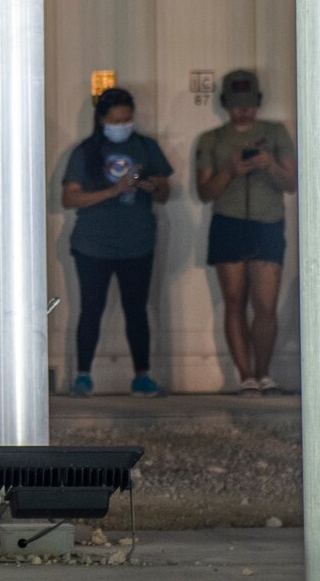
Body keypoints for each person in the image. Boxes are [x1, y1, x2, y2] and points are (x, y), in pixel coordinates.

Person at [61, 88, 173, 398]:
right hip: (92, 245)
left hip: (138, 243)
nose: (122, 125)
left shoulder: (146, 146)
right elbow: (69, 197)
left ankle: (142, 375)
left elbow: (165, 194)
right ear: (102, 120)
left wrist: (152, 186)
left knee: (137, 310)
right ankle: (83, 376)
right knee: (90, 309)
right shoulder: (85, 150)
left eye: (127, 119)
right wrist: (114, 190)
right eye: (115, 120)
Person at [194, 69, 297, 395]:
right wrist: (232, 170)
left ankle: (265, 373)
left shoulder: (276, 132)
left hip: (267, 222)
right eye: (237, 104)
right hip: (229, 222)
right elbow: (206, 192)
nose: (244, 111)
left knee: (266, 304)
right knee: (234, 301)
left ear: (258, 102)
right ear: (225, 103)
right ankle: (246, 376)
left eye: (250, 104)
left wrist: (270, 165)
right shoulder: (212, 139)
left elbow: (292, 184)